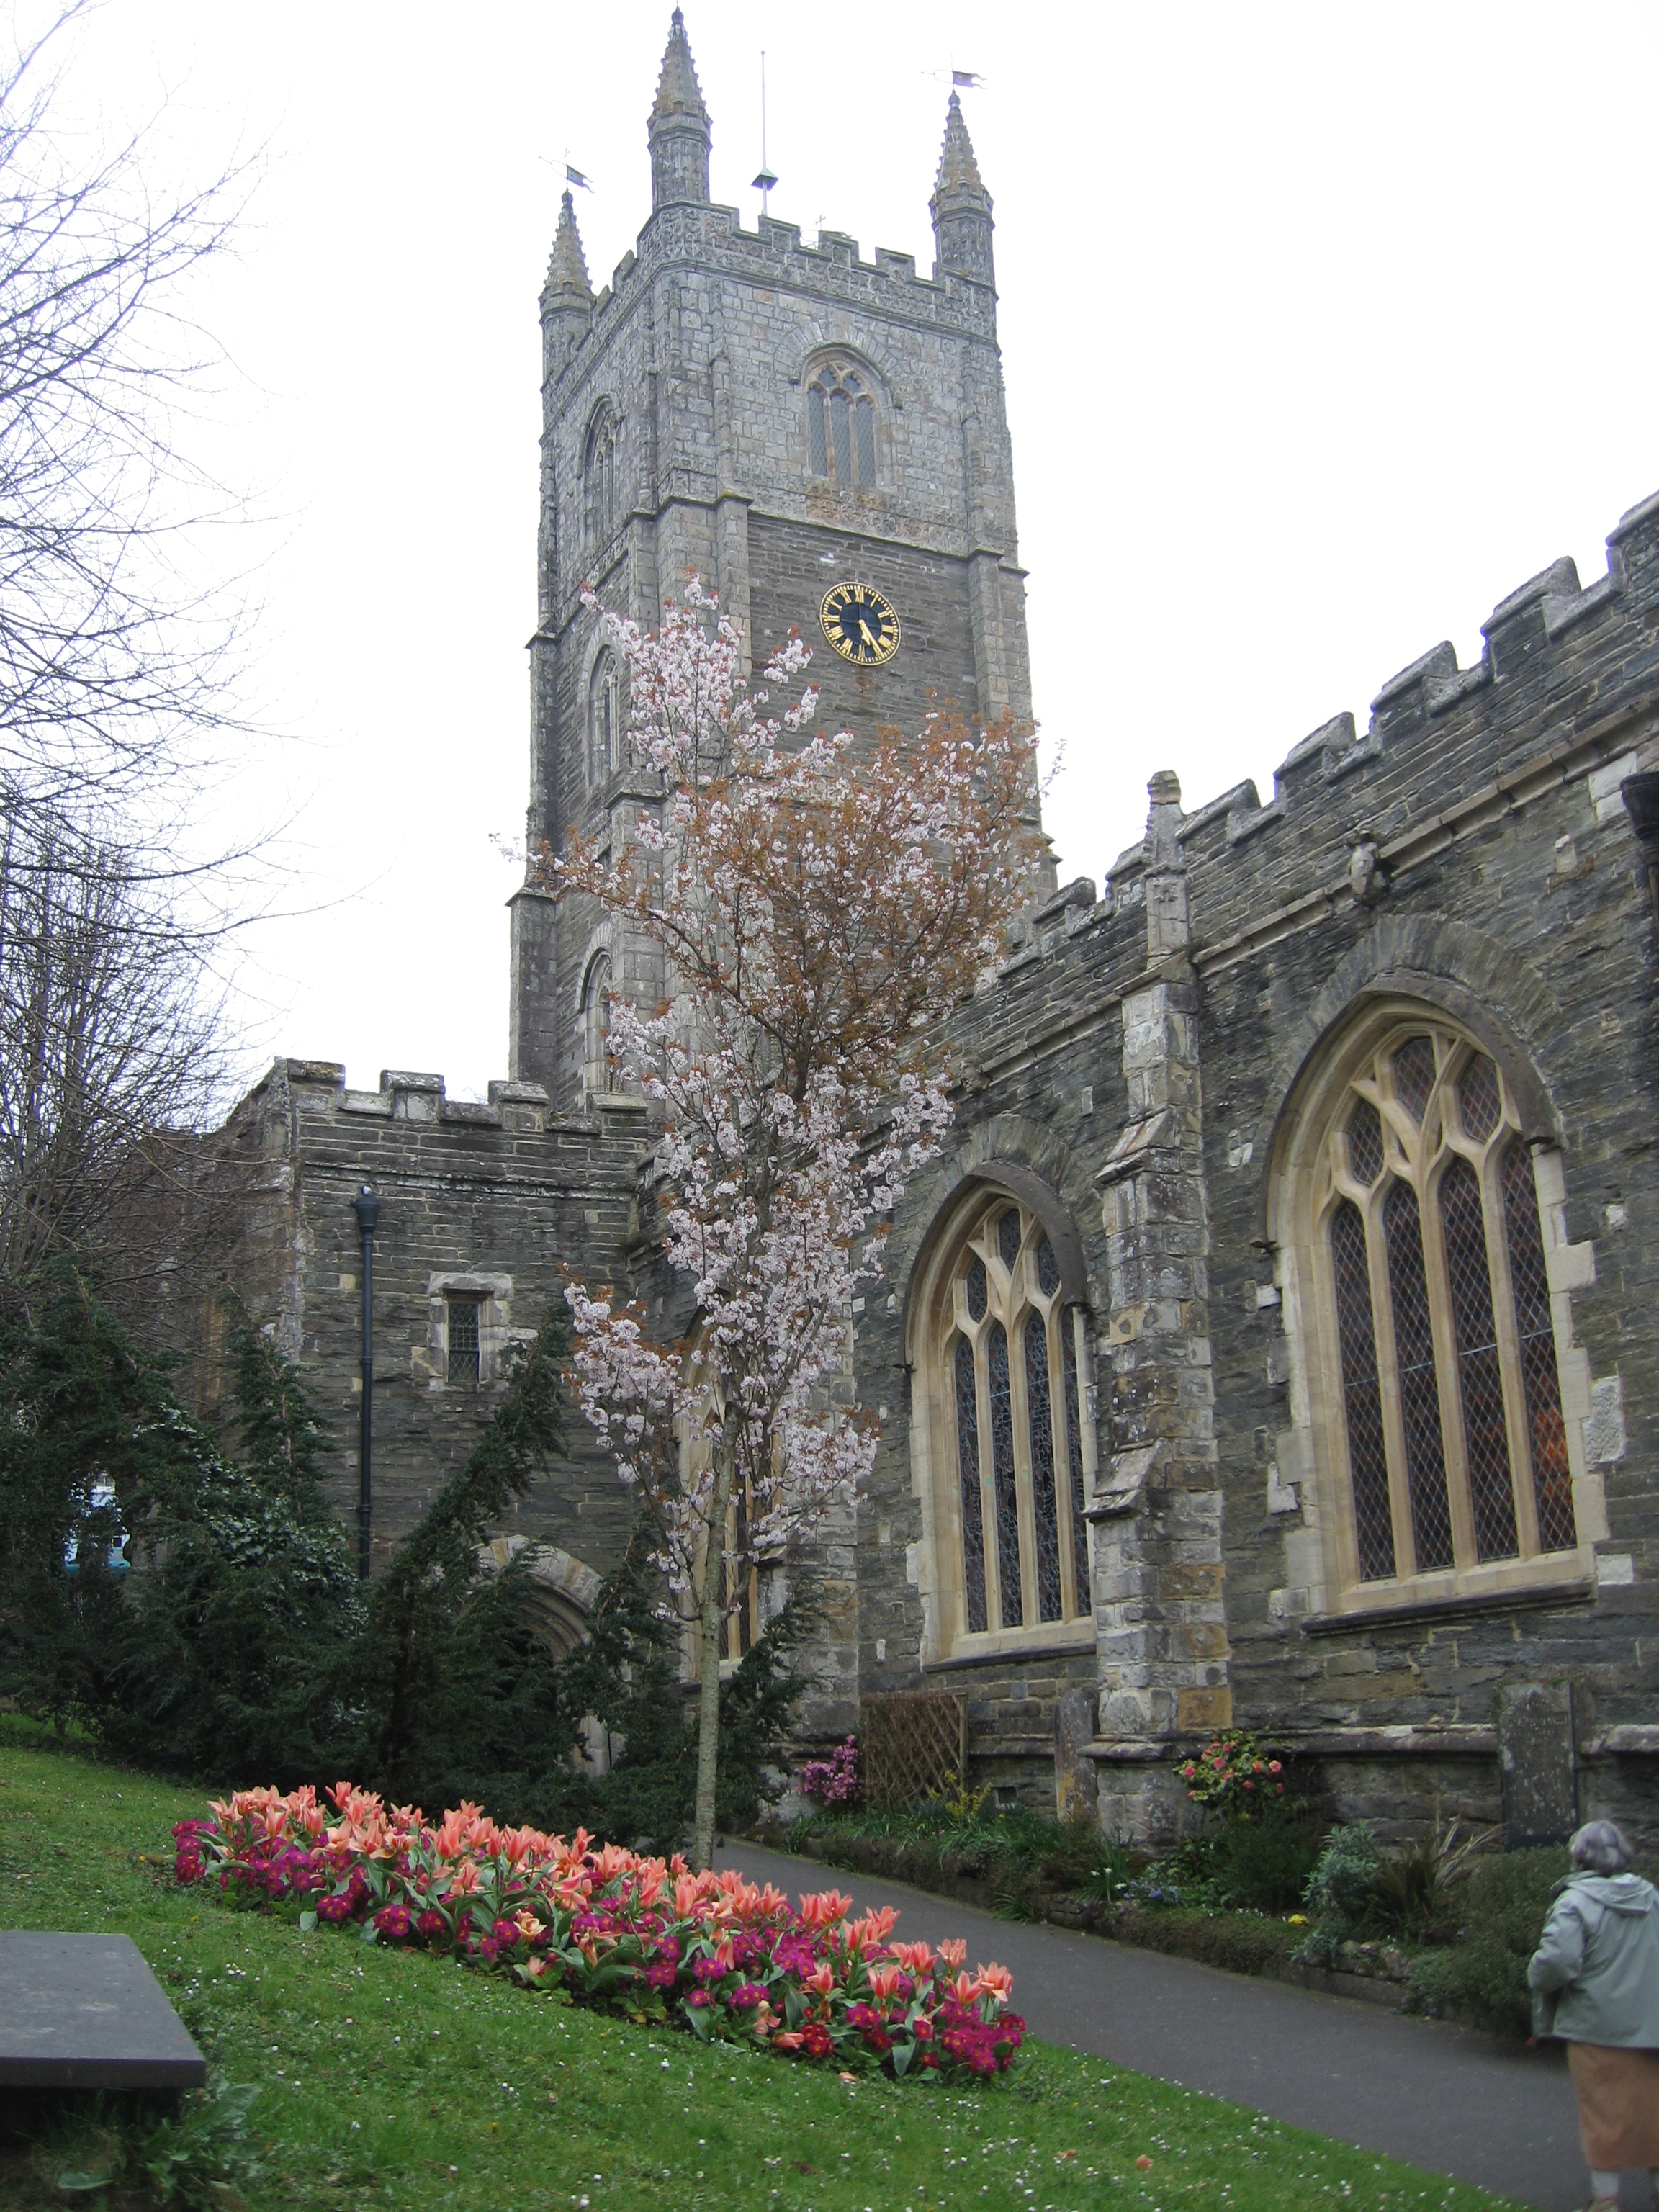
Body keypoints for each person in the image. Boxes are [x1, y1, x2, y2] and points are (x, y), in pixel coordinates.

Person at [1529, 1820, 1659, 2212]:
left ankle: (1605, 2202)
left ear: (1580, 1857)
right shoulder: (1650, 1897)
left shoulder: (1575, 1902)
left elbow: (1558, 1963)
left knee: (1601, 2115)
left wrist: (1534, 1973)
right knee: (1654, 2115)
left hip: (1596, 2027)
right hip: (1651, 2026)